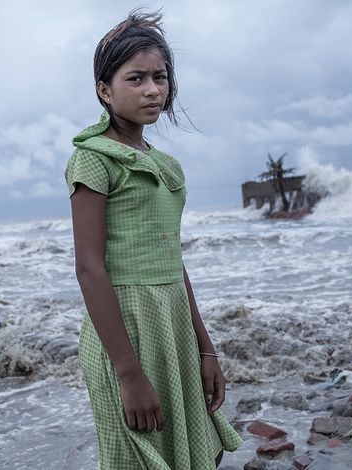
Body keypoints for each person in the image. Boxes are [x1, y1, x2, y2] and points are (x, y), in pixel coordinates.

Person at [65, 10, 242, 469]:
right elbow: (89, 268)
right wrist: (128, 374)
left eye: (160, 77)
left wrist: (206, 348)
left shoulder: (167, 167)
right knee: (137, 455)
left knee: (194, 447)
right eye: (136, 78)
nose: (152, 90)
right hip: (126, 329)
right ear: (105, 89)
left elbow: (173, 260)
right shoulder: (94, 161)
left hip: (173, 325)